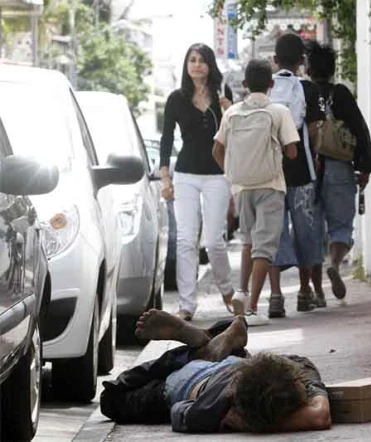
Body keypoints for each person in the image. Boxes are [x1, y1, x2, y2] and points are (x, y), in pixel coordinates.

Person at [99, 310, 332, 433]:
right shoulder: (212, 410)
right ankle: (196, 352)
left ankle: (204, 347)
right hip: (188, 381)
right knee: (114, 397)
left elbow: (300, 362)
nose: (304, 384)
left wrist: (315, 390)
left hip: (232, 362)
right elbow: (180, 412)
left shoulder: (250, 373)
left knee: (112, 399)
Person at [212, 59, 299, 326]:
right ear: (271, 84)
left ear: (245, 84)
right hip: (271, 186)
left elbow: (217, 150)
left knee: (249, 242)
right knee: (264, 248)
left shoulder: (232, 113)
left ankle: (241, 291)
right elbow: (292, 150)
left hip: (242, 187)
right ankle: (250, 309)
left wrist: (232, 174)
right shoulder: (278, 111)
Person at [160, 43, 236, 321]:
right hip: (186, 175)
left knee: (215, 241)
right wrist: (165, 177)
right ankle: (187, 304)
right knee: (185, 240)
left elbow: (234, 135)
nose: (196, 65)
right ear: (186, 65)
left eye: (202, 60)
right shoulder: (176, 99)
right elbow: (167, 139)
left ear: (209, 65)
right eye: (192, 60)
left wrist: (230, 111)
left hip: (217, 175)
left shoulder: (222, 95)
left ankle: (227, 290)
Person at [306, 41, 371, 302]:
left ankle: (316, 292)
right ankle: (334, 263)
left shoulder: (304, 93)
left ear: (309, 69)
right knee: (341, 228)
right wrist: (365, 166)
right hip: (338, 167)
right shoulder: (341, 94)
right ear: (332, 69)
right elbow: (360, 129)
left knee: (311, 233)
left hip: (310, 168)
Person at [266, 33, 327, 319]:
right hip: (302, 169)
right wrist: (314, 153)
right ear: (302, 61)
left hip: (271, 173)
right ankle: (304, 292)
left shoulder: (265, 87)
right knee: (305, 231)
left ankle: (275, 296)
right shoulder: (308, 89)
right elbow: (314, 129)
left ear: (275, 60)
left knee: (273, 232)